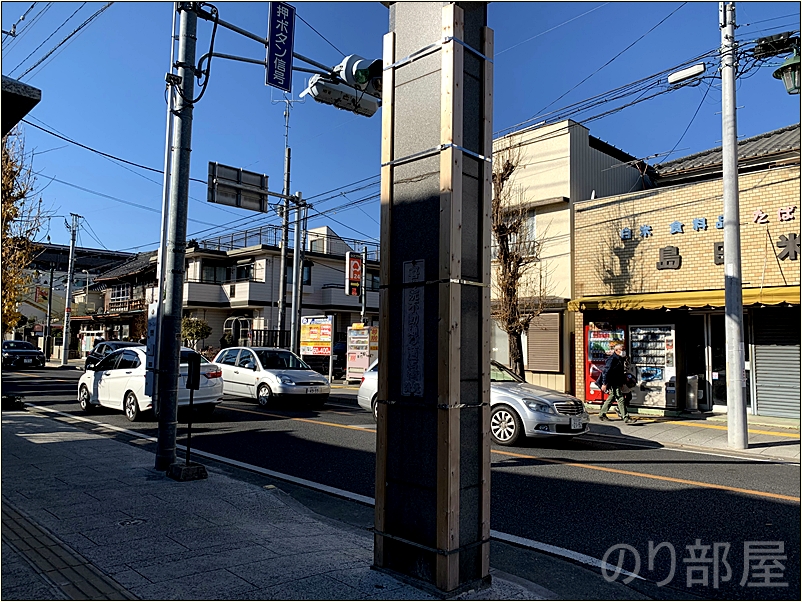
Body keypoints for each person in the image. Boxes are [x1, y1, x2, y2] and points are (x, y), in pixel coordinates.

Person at [598, 343, 634, 423]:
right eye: (622, 350)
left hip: (617, 381)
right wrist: (604, 383)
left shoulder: (621, 358)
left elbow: (620, 372)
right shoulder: (612, 359)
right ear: (616, 350)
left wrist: (621, 383)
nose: (623, 351)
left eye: (624, 349)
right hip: (612, 381)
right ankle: (626, 418)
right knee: (620, 399)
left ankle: (602, 414)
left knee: (611, 397)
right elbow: (606, 372)